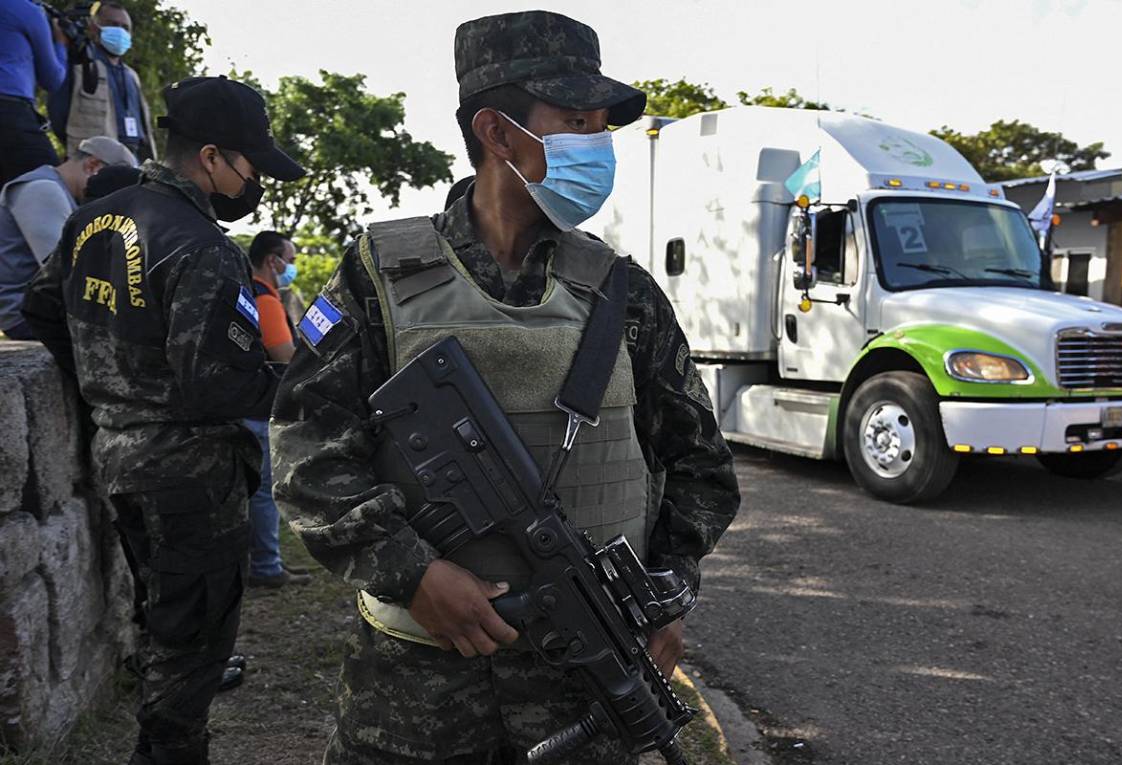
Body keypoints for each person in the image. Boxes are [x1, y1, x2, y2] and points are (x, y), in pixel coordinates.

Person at [271, 11, 740, 764]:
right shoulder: (381, 274)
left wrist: (667, 592)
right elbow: (306, 451)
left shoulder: (625, 294)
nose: (598, 143)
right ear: (497, 132)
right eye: (576, 120)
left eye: (601, 126)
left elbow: (702, 468)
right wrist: (413, 571)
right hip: (413, 685)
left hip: (582, 680)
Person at [22, 75, 305, 765]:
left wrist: (107, 382)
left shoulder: (94, 217)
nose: (254, 182)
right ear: (211, 158)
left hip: (119, 458)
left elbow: (39, 309)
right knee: (196, 641)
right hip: (190, 475)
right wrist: (297, 390)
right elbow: (215, 384)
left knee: (160, 619)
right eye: (251, 165)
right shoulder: (205, 247)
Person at [1, 136, 135, 339]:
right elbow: (69, 272)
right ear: (93, 165)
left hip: (46, 311)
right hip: (27, 317)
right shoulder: (42, 189)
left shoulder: (58, 191)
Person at [242, 230, 311, 588]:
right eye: (292, 260)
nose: (293, 268)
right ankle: (267, 567)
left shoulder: (245, 291)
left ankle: (263, 563)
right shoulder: (265, 299)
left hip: (244, 405)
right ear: (273, 260)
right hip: (258, 410)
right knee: (264, 495)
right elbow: (284, 356)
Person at [49, 0, 157, 161]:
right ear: (94, 27)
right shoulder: (81, 65)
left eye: (125, 28)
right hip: (96, 161)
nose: (120, 31)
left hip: (135, 160)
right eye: (112, 24)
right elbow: (58, 112)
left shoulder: (131, 75)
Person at [0, 0, 69, 184]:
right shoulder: (25, 10)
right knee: (50, 183)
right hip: (10, 112)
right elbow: (52, 78)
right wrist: (61, 44)